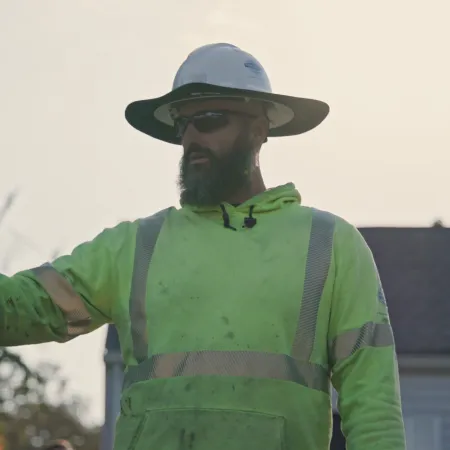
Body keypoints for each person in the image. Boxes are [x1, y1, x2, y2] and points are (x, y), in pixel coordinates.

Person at [0, 43, 406, 449]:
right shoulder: (136, 246)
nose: (192, 137)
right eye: (183, 124)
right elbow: (23, 307)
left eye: (210, 120)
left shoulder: (330, 246)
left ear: (259, 128)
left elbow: (374, 411)